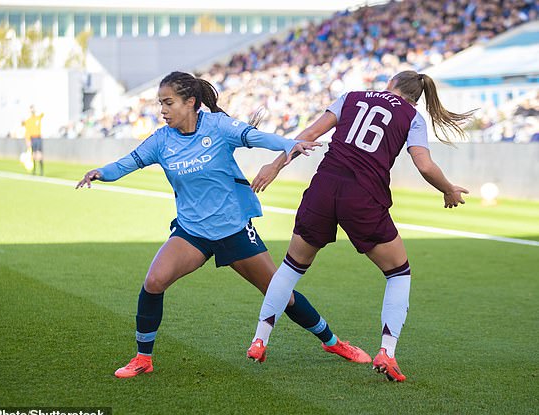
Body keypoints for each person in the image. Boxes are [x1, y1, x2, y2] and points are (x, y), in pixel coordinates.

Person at [76, 71, 370, 379]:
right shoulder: (161, 141)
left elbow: (256, 138)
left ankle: (333, 342)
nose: (162, 110)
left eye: (168, 102)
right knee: (153, 282)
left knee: (280, 293)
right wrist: (101, 172)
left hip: (233, 229)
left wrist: (289, 144)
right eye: (160, 103)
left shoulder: (217, 126)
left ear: (190, 102)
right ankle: (142, 358)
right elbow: (128, 162)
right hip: (192, 232)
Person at [247, 70, 474, 382]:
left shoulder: (352, 97)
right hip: (363, 195)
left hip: (324, 187)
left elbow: (308, 134)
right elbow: (424, 164)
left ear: (390, 85)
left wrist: (274, 166)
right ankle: (387, 352)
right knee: (398, 272)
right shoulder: (413, 116)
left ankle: (260, 340)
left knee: (291, 266)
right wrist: (447, 189)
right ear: (416, 96)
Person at [23, 105, 45, 176]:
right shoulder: (28, 120)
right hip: (32, 138)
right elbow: (27, 130)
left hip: (38, 138)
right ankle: (34, 170)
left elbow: (42, 113)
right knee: (33, 155)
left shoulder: (38, 117)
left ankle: (41, 171)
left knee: (39, 154)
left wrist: (35, 109)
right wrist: (27, 140)